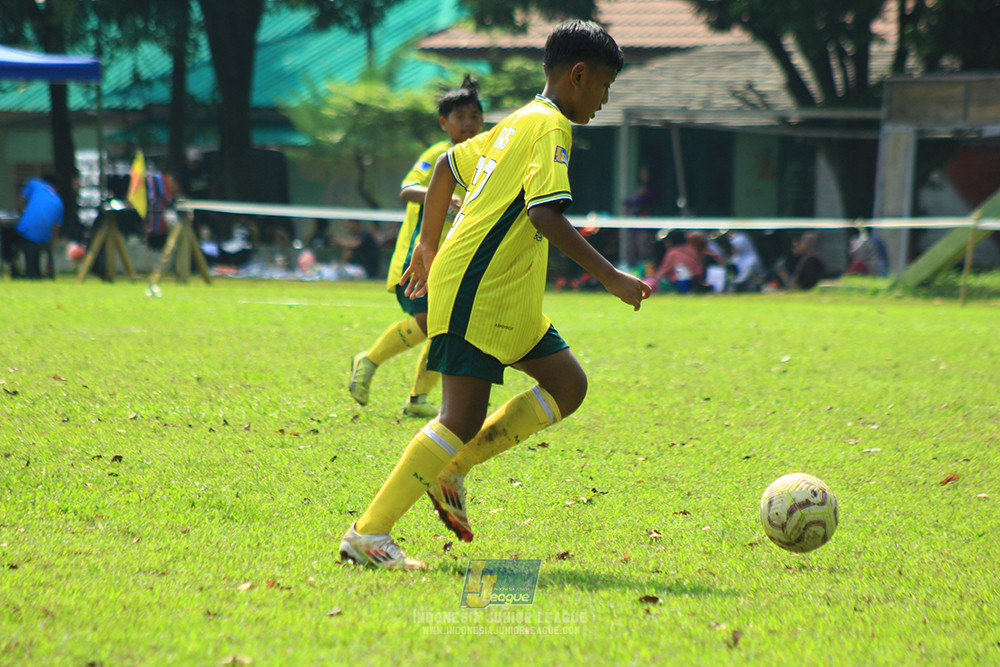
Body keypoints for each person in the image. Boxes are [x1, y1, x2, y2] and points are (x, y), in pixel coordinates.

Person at [338, 19, 651, 570]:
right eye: (604, 86)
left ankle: (452, 468)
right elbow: (545, 215)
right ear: (578, 75)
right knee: (459, 416)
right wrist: (610, 277)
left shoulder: (520, 119)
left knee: (567, 385)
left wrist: (428, 244)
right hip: (478, 287)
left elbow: (446, 166)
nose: (605, 99)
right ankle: (369, 533)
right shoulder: (550, 127)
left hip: (507, 292)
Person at [347, 78, 484, 418]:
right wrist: (441, 195)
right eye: (460, 117)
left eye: (474, 116)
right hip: (419, 256)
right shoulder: (438, 155)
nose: (468, 124)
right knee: (426, 321)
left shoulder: (484, 157)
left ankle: (418, 400)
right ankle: (368, 360)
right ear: (444, 123)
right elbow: (407, 189)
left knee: (446, 328)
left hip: (456, 261)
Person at [2, 175, 63, 279]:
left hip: (26, 234)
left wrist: (19, 212)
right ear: (57, 188)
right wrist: (51, 250)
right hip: (44, 239)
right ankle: (34, 271)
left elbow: (20, 203)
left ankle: (13, 266)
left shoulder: (34, 184)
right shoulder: (59, 202)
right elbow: (55, 229)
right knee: (32, 242)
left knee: (6, 235)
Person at [644, 229, 702, 293]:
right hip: (695, 280)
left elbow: (664, 270)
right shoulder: (692, 249)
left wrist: (654, 277)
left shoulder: (672, 252)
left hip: (678, 282)